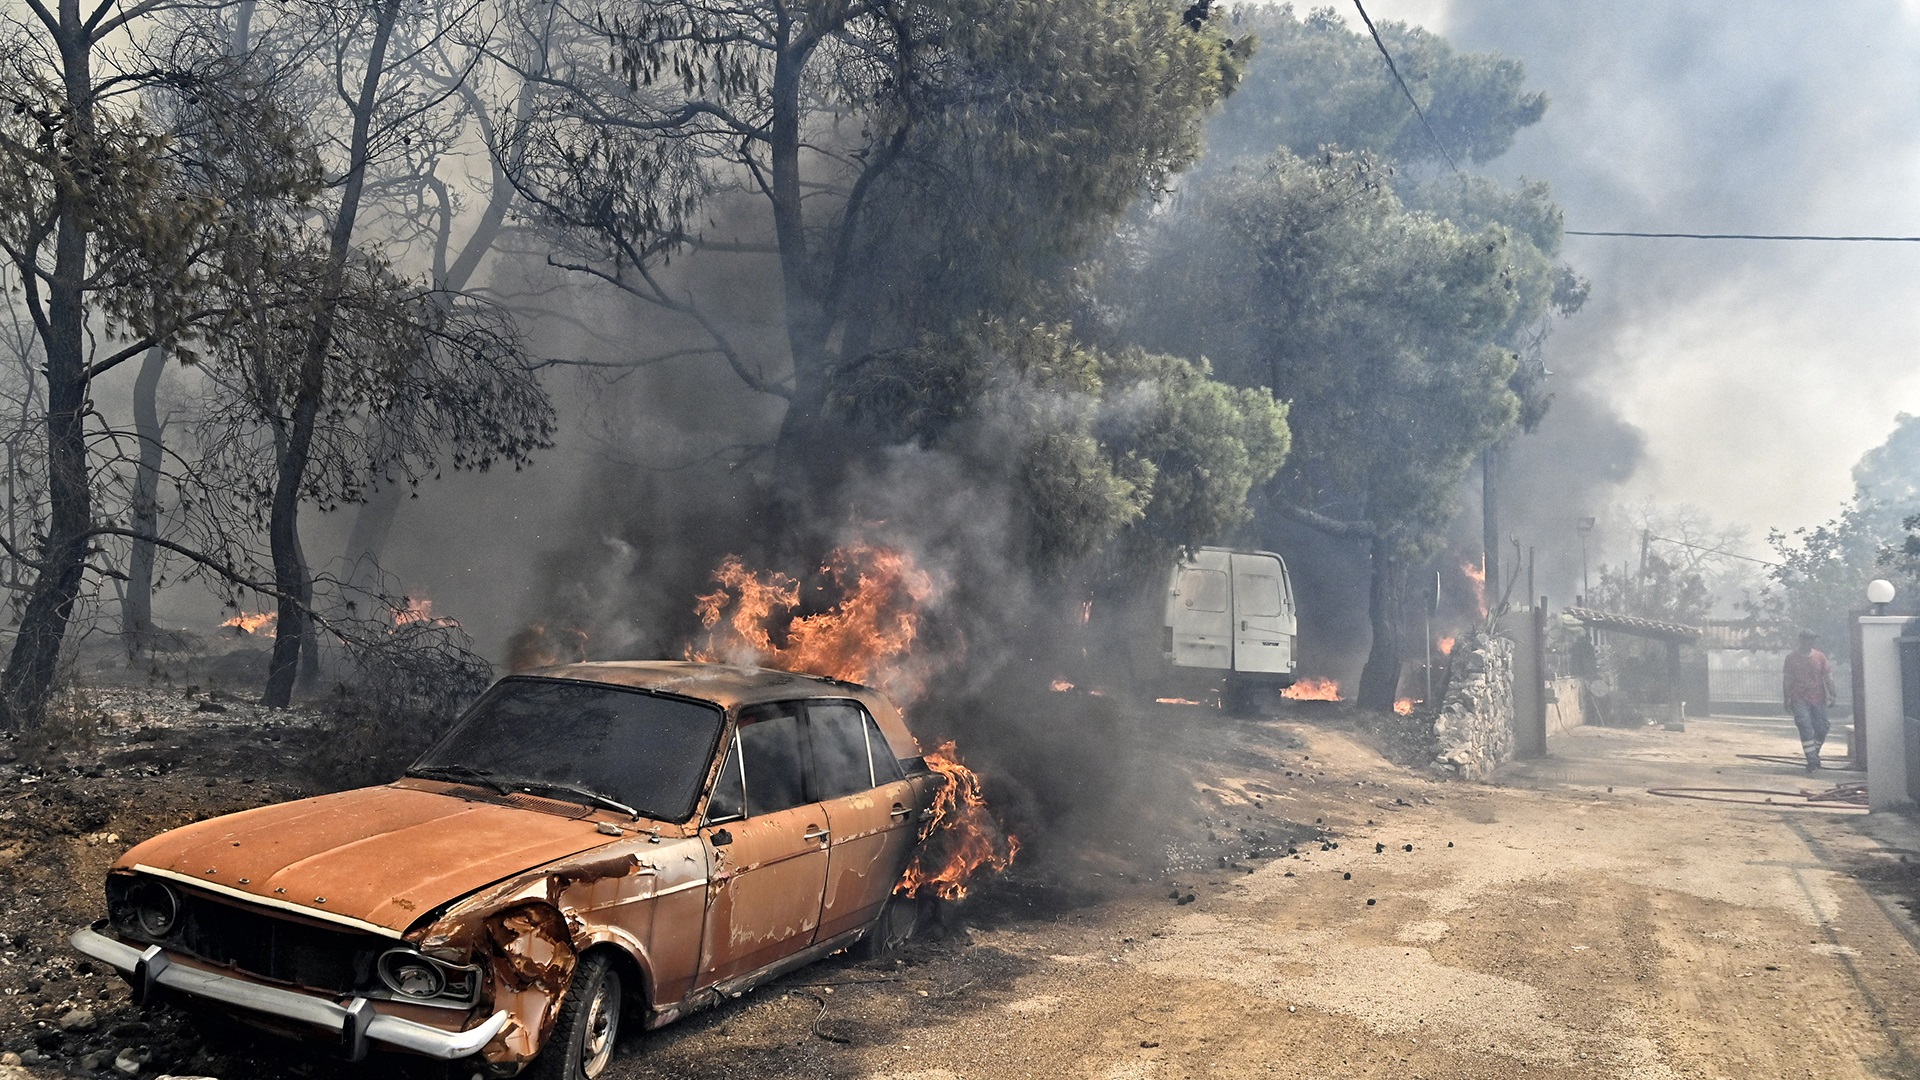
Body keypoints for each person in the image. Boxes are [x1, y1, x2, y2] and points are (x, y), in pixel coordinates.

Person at [1782, 630, 1836, 772]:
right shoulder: (1791, 658)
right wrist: (1787, 698)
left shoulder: (1820, 657)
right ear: (1801, 640)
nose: (1811, 642)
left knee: (1822, 727)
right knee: (1805, 726)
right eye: (1808, 639)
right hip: (1798, 698)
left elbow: (1828, 676)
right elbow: (1787, 679)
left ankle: (1814, 753)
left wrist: (1832, 694)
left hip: (1818, 698)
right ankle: (1812, 760)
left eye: (1813, 639)